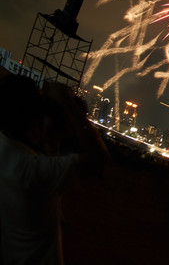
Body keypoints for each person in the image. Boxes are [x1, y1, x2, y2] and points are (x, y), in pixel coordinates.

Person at [0, 75, 109, 264]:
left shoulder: (8, 152)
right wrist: (67, 103)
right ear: (31, 119)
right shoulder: (33, 171)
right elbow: (99, 157)